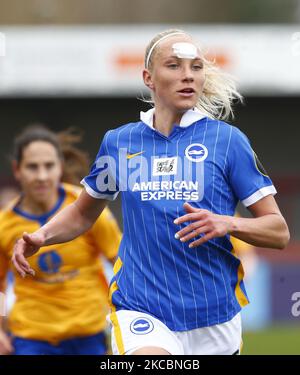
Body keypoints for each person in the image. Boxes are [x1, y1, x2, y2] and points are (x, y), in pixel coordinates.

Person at [12, 29, 290, 355]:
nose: (187, 75)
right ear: (149, 77)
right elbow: (83, 212)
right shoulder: (120, 143)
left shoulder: (228, 142)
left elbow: (278, 231)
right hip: (141, 307)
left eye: (196, 67)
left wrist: (229, 224)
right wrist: (42, 236)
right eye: (173, 66)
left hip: (214, 316)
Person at [0, 125, 121, 355]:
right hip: (31, 338)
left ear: (60, 167)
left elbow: (121, 262)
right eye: (32, 167)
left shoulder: (88, 210)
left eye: (49, 166)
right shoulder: (4, 224)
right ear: (17, 170)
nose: (42, 176)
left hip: (89, 334)